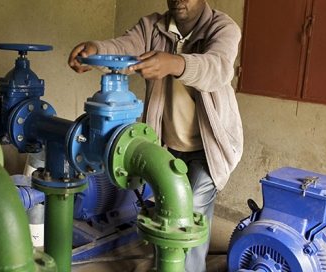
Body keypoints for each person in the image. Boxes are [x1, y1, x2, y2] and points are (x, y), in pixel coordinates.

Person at [68, 0, 243, 271]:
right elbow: (125, 47)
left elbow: (217, 68)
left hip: (208, 149)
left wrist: (176, 64)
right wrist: (97, 49)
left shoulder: (222, 27)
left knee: (187, 217)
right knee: (165, 212)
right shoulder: (153, 27)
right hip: (165, 143)